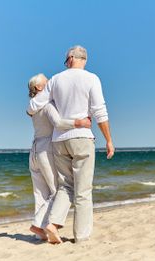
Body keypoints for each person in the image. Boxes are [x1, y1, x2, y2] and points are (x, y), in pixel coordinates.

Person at [27, 45, 114, 244]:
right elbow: (100, 112)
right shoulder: (92, 78)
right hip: (82, 138)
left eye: (66, 60)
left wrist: (31, 110)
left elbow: (33, 106)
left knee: (66, 187)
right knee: (83, 190)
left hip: (59, 141)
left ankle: (52, 224)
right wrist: (108, 140)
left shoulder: (56, 79)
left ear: (71, 58)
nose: (65, 63)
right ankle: (82, 236)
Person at [27, 73, 92, 240]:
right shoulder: (47, 105)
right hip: (46, 149)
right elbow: (58, 123)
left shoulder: (33, 108)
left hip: (34, 149)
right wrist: (79, 123)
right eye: (47, 83)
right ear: (40, 88)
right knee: (57, 191)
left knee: (40, 193)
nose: (50, 84)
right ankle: (39, 225)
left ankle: (40, 234)